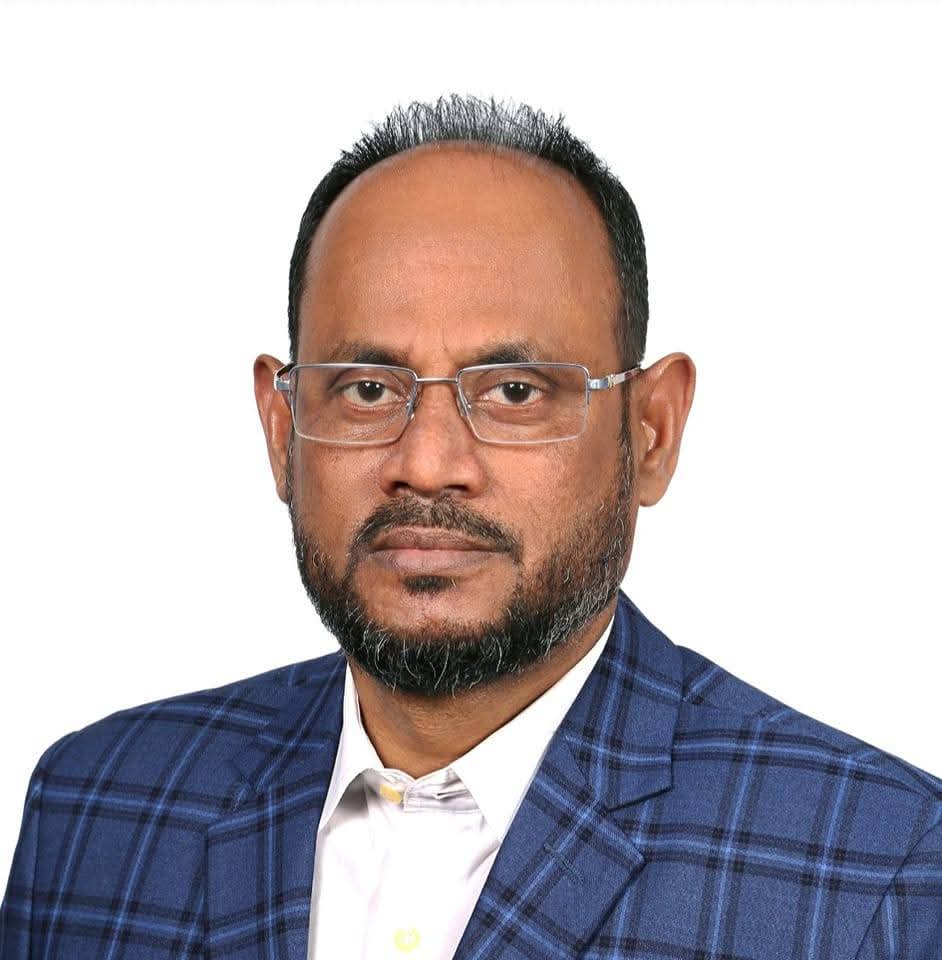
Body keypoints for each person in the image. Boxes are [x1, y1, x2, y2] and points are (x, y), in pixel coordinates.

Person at [1, 95, 939, 960]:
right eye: (367, 390)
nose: (428, 460)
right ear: (282, 431)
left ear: (652, 432)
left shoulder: (878, 870)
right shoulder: (93, 807)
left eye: (516, 392)